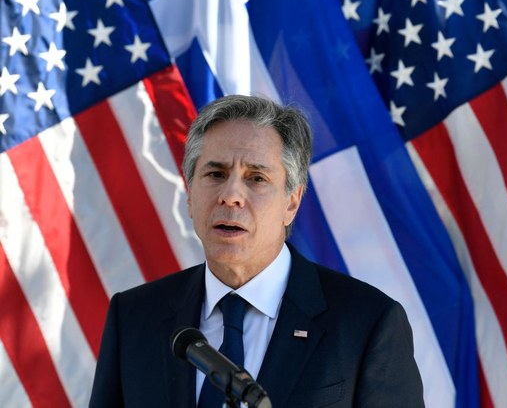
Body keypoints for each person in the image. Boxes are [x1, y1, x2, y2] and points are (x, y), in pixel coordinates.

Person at [89, 95, 424, 407]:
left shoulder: (366, 324)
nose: (231, 195)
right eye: (216, 174)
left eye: (256, 178)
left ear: (291, 202)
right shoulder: (133, 318)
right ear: (190, 195)